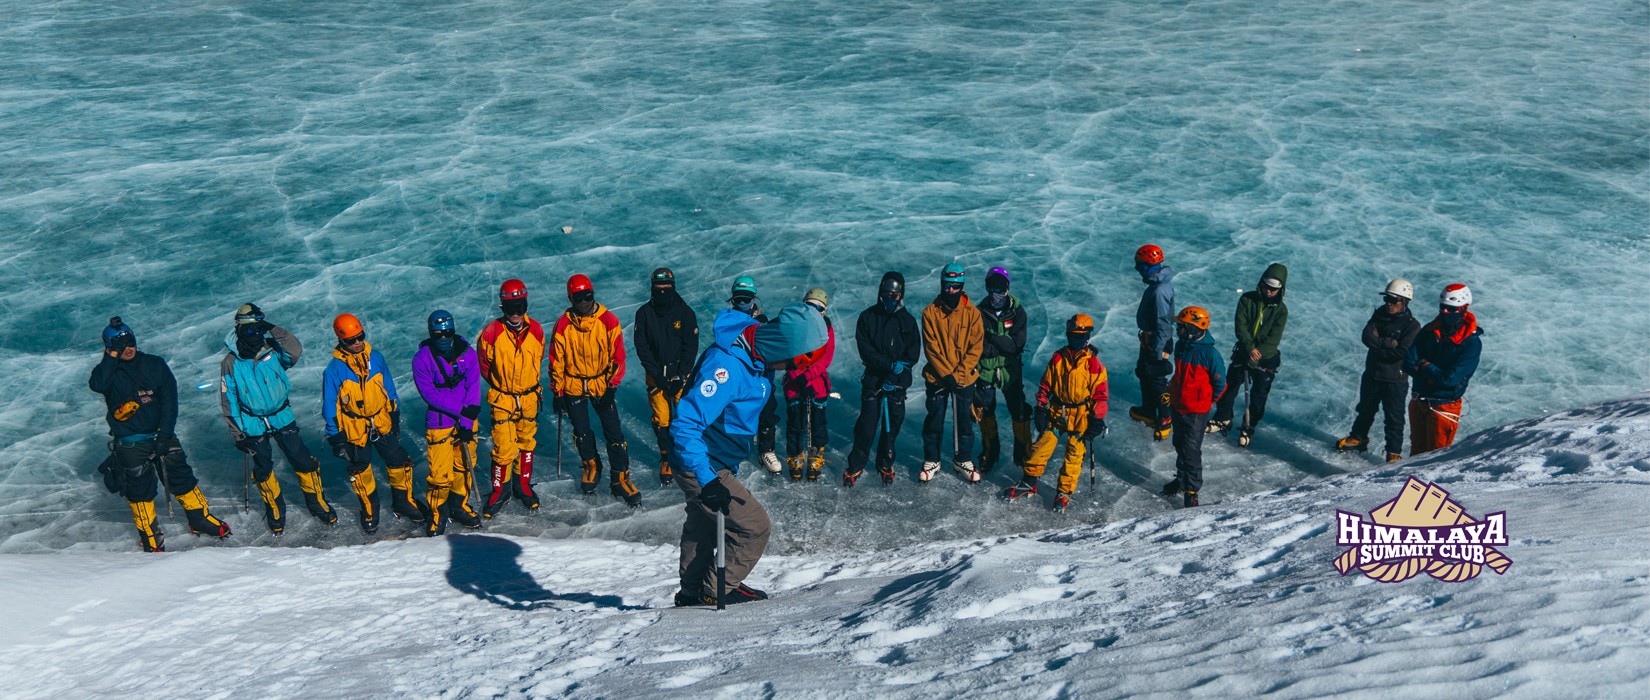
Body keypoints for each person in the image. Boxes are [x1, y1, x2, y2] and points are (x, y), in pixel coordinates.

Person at [670, 304, 829, 606]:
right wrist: (708, 480)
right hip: (702, 462)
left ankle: (691, 591)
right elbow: (686, 425)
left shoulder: (758, 347)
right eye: (792, 363)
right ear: (782, 348)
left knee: (703, 524)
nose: (790, 370)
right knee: (754, 526)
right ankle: (717, 588)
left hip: (717, 458)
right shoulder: (725, 369)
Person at [90, 317, 232, 551]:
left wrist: (165, 435)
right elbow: (97, 384)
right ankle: (150, 536)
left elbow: (169, 401)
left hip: (161, 435)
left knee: (182, 477)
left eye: (131, 344)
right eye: (120, 347)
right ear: (109, 349)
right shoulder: (108, 372)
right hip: (130, 442)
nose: (128, 349)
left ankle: (199, 519)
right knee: (139, 491)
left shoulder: (155, 364)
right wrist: (111, 357)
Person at [218, 304, 337, 534]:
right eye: (251, 330)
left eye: (259, 330)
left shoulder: (272, 349)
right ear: (240, 330)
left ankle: (317, 504)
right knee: (263, 467)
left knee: (302, 460)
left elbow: (295, 351)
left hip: (282, 416)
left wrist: (273, 329)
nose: (256, 335)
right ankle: (275, 509)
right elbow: (228, 399)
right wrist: (238, 433)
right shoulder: (230, 362)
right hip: (251, 422)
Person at [322, 313, 425, 534]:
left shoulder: (376, 358)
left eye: (360, 337)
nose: (358, 343)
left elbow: (389, 388)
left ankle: (403, 502)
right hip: (354, 427)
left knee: (399, 460)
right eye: (351, 340)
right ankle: (369, 509)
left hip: (381, 420)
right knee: (360, 469)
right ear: (341, 341)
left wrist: (394, 416)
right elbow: (330, 405)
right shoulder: (334, 369)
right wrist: (336, 437)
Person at [1004, 314, 1109, 512]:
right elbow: (1046, 385)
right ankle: (1029, 481)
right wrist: (1041, 407)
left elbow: (1100, 396)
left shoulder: (1093, 364)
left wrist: (1097, 419)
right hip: (1057, 410)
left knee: (1074, 454)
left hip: (1081, 414)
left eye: (1079, 335)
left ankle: (1064, 492)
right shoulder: (1058, 357)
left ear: (1087, 337)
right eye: (1072, 335)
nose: (1075, 339)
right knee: (1042, 446)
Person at [551, 274, 639, 507]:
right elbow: (556, 360)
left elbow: (618, 358)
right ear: (571, 298)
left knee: (614, 433)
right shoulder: (563, 324)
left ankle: (620, 477)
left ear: (593, 294)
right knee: (581, 431)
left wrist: (612, 386)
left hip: (601, 383)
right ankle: (591, 465)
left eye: (587, 296)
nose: (584, 302)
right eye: (578, 298)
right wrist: (557, 391)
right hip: (573, 384)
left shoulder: (608, 320)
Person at [476, 279, 546, 517]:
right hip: (503, 398)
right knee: (503, 448)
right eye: (510, 308)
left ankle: (522, 486)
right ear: (502, 307)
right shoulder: (491, 333)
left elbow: (538, 359)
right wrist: (504, 387)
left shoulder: (536, 330)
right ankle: (500, 490)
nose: (516, 313)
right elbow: (485, 367)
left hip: (529, 397)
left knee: (527, 443)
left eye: (520, 307)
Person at [845, 272, 921, 486]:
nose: (889, 298)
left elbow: (912, 355)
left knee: (892, 425)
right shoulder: (868, 317)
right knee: (866, 425)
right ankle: (856, 463)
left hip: (896, 383)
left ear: (901, 296)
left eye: (894, 295)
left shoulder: (908, 321)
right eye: (886, 294)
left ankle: (885, 462)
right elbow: (866, 351)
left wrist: (897, 375)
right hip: (874, 381)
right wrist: (888, 366)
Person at [412, 310, 483, 536]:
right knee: (440, 474)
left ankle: (458, 506)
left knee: (464, 465)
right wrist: (461, 411)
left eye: (447, 333)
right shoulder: (422, 359)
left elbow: (473, 387)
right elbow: (429, 394)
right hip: (440, 421)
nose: (443, 338)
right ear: (431, 334)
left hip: (467, 419)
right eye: (438, 334)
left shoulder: (468, 354)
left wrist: (467, 418)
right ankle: (437, 513)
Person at [1336, 280, 1421, 462]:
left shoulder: (1412, 326)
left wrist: (1379, 345)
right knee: (1365, 409)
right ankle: (1359, 437)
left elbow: (1400, 353)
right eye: (1387, 299)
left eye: (1393, 300)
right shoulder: (1380, 315)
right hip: (1372, 374)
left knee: (1394, 418)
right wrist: (1388, 343)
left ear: (1405, 301)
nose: (1388, 303)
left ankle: (1393, 453)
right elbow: (1366, 337)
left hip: (1395, 380)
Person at [1209, 263, 1289, 447]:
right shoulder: (1247, 299)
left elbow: (1273, 338)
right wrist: (1249, 348)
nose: (1268, 291)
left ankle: (1248, 426)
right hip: (1244, 353)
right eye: (1266, 286)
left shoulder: (1281, 311)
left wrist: (1257, 355)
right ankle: (1223, 418)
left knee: (1258, 398)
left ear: (1280, 290)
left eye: (1273, 289)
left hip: (1266, 359)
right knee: (1228, 389)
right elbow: (1241, 326)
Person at [633, 267, 699, 485]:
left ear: (674, 288)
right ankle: (666, 458)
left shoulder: (685, 313)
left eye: (667, 288)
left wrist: (681, 375)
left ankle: (687, 455)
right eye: (658, 289)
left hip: (681, 374)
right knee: (662, 419)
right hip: (656, 377)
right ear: (652, 288)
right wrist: (658, 376)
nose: (663, 292)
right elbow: (642, 348)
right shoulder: (644, 314)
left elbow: (691, 346)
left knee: (685, 417)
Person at [919, 263, 985, 483]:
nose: (950, 291)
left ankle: (962, 459)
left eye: (955, 287)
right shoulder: (930, 313)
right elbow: (931, 347)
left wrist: (957, 376)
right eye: (946, 286)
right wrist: (945, 374)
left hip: (964, 379)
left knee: (964, 422)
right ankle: (932, 459)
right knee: (934, 420)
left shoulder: (973, 314)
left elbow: (975, 348)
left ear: (961, 286)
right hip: (937, 378)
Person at [1403, 284, 1483, 456]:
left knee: (1433, 457)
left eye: (1451, 309)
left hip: (1444, 407)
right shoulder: (1430, 330)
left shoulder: (1471, 343)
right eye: (1443, 308)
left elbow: (1450, 379)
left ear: (1464, 308)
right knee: (1416, 453)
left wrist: (1425, 366)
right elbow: (1408, 362)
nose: (1445, 312)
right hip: (1420, 401)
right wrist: (1432, 374)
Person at [1160, 306, 1225, 508]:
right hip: (1178, 406)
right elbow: (1180, 375)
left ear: (1193, 328)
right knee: (1179, 444)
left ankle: (1191, 490)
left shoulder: (1210, 354)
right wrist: (1171, 390)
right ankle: (1181, 479)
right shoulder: (1182, 346)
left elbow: (1221, 384)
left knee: (1191, 450)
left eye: (1181, 325)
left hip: (1196, 411)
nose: (1177, 329)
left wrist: (1205, 401)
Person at [973, 266, 1031, 474]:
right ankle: (991, 450)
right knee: (986, 411)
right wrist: (1001, 343)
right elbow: (981, 348)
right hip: (986, 371)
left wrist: (992, 337)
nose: (996, 294)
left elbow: (1016, 345)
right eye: (992, 288)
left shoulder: (1017, 311)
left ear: (1007, 287)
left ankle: (1022, 451)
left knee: (1019, 410)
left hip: (1010, 371)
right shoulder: (978, 312)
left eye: (1000, 288)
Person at [728, 275, 783, 475]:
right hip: (740, 379)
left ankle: (767, 450)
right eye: (738, 300)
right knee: (737, 412)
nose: (742, 303)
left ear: (754, 299)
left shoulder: (763, 322)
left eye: (746, 299)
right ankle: (736, 447)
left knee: (767, 411)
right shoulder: (728, 321)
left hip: (761, 378)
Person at [782, 288, 835, 480]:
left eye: (817, 308)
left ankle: (816, 456)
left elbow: (826, 357)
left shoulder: (827, 327)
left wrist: (809, 376)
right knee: (795, 424)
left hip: (816, 384)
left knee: (818, 425)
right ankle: (795, 455)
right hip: (795, 385)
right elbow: (788, 354)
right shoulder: (793, 325)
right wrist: (798, 376)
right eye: (809, 306)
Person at [1127, 244, 1176, 441]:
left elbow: (1163, 323)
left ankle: (1165, 417)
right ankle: (1148, 410)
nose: (1138, 270)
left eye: (1140, 267)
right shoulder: (1157, 286)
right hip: (1150, 340)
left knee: (1157, 379)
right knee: (1145, 374)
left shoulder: (1159, 291)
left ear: (1148, 266)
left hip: (1157, 342)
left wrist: (1158, 350)